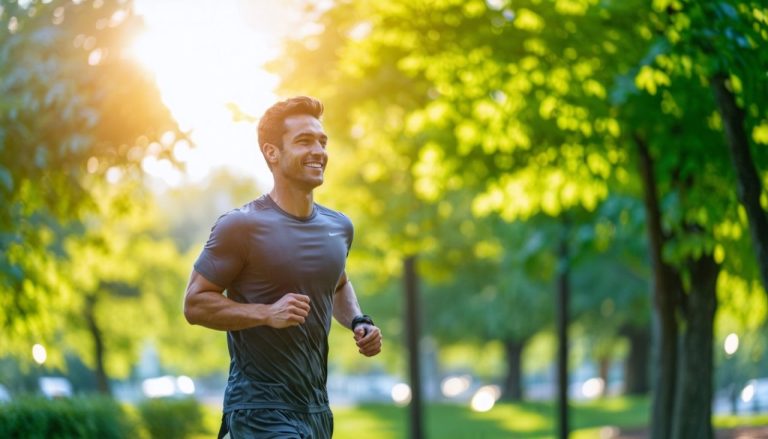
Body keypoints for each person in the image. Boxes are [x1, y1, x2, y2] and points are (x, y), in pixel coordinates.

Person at [183, 96, 383, 438]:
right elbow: (195, 303)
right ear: (272, 153)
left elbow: (337, 284)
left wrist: (358, 321)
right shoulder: (241, 226)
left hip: (316, 408)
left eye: (322, 142)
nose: (318, 151)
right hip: (259, 407)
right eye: (304, 141)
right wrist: (265, 313)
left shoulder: (338, 227)